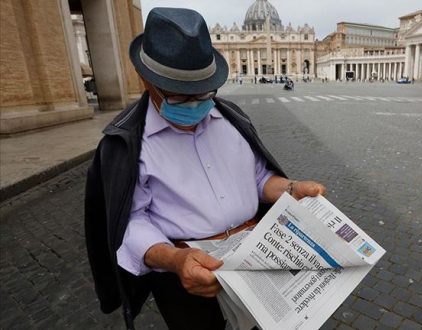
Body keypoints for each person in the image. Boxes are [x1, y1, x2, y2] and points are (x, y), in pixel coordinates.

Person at [84, 8, 325, 330]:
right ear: (145, 80)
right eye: (180, 96)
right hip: (184, 268)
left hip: (254, 255)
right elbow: (131, 220)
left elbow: (258, 178)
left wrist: (291, 189)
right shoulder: (123, 143)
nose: (196, 104)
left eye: (205, 92)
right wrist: (175, 259)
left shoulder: (232, 119)